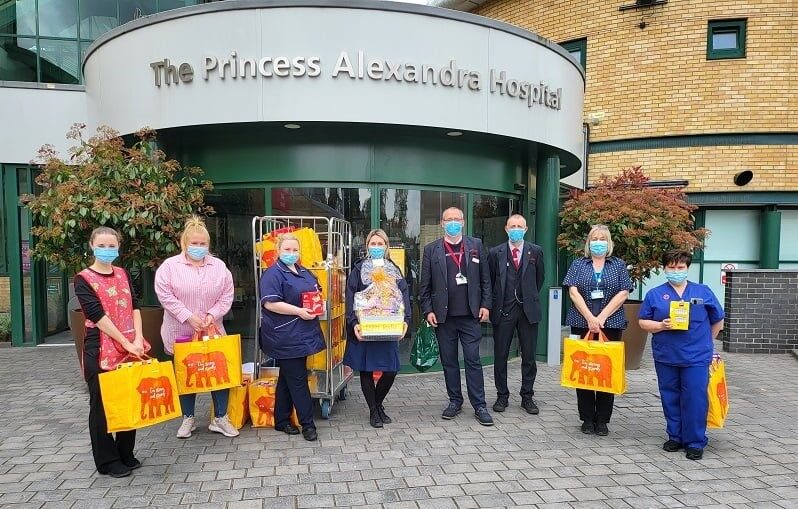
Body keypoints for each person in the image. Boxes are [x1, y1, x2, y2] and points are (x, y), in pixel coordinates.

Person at [155, 216, 238, 439]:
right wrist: (187, 316)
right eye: (194, 243)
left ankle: (220, 418)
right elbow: (165, 295)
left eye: (203, 244)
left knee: (218, 372)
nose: (199, 247)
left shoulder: (218, 267)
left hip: (212, 331)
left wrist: (212, 315)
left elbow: (227, 294)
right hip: (180, 330)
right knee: (186, 374)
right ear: (184, 243)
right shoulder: (170, 267)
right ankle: (188, 418)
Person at [639, 249, 724, 461]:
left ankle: (695, 441)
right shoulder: (655, 294)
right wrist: (660, 325)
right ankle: (675, 436)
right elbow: (643, 322)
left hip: (696, 356)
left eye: (680, 267)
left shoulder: (703, 292)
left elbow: (718, 320)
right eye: (671, 267)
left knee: (695, 398)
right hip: (666, 355)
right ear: (664, 269)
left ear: (687, 268)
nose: (676, 271)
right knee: (670, 396)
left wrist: (707, 343)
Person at [75, 226, 147, 478]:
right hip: (101, 347)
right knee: (102, 405)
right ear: (92, 246)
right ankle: (107, 461)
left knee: (129, 399)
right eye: (102, 246)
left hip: (130, 344)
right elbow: (97, 315)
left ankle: (125, 452)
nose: (107, 250)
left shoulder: (123, 273)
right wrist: (125, 342)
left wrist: (137, 337)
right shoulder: (83, 278)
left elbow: (135, 306)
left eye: (112, 246)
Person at [419, 207, 494, 426]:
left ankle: (479, 405)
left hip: (471, 315)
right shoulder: (431, 250)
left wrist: (486, 305)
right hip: (444, 317)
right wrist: (428, 310)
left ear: (463, 222)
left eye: (457, 219)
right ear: (442, 223)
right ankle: (455, 401)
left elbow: (486, 280)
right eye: (448, 220)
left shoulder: (475, 246)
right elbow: (425, 286)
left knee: (473, 360)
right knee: (449, 361)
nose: (453, 223)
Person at [562, 224, 633, 436]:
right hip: (581, 322)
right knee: (583, 369)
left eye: (603, 239)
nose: (598, 242)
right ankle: (586, 418)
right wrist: (589, 318)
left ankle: (602, 419)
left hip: (610, 324)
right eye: (595, 239)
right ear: (588, 242)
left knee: (604, 371)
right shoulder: (578, 264)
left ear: (609, 242)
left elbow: (623, 293)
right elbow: (573, 292)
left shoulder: (618, 265)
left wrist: (600, 318)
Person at [259, 232, 325, 441]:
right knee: (297, 379)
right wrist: (298, 311)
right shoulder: (272, 274)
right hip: (285, 335)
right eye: (287, 249)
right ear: (278, 251)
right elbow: (270, 303)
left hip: (302, 333)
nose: (291, 253)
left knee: (288, 378)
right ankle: (308, 425)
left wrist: (318, 304)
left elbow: (316, 291)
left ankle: (281, 419)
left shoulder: (304, 271)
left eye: (295, 250)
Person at [344, 229, 411, 428]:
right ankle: (374, 411)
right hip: (365, 327)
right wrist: (353, 323)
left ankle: (378, 403)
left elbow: (403, 296)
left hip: (387, 326)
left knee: (390, 370)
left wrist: (405, 320)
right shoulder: (358, 270)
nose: (376, 247)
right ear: (367, 246)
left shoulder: (394, 270)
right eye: (372, 244)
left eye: (380, 244)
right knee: (366, 370)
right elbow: (351, 298)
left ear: (386, 246)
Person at [487, 214, 544, 415]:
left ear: (526, 229)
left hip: (528, 311)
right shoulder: (495, 253)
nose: (516, 229)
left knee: (529, 356)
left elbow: (539, 280)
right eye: (513, 226)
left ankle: (527, 396)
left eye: (520, 226)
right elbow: (492, 280)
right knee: (500, 355)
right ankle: (502, 396)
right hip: (504, 311)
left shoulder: (535, 251)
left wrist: (527, 296)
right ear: (506, 229)